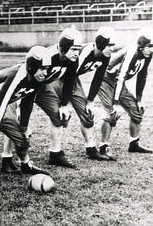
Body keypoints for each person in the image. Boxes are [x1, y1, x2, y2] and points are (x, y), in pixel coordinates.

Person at [23, 26, 118, 169]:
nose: (112, 49)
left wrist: (90, 101)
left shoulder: (101, 56)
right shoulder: (81, 53)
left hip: (71, 80)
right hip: (55, 79)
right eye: (109, 45)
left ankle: (90, 148)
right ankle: (47, 152)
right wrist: (64, 103)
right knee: (57, 115)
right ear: (100, 44)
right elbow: (59, 74)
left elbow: (96, 78)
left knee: (86, 113)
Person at [0, 46, 52, 201]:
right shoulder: (17, 75)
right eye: (42, 69)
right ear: (32, 67)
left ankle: (26, 164)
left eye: (47, 69)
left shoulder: (37, 79)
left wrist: (24, 127)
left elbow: (27, 102)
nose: (45, 73)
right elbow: (1, 101)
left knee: (21, 138)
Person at [17, 27, 85, 169]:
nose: (77, 53)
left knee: (58, 115)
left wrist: (65, 105)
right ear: (63, 48)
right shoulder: (49, 56)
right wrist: (23, 115)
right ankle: (7, 157)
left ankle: (55, 153)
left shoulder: (73, 59)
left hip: (44, 85)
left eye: (78, 49)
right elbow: (30, 87)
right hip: (26, 84)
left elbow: (70, 80)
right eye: (73, 49)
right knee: (18, 121)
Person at [97, 28, 153, 155]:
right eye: (149, 46)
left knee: (136, 110)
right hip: (105, 79)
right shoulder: (132, 52)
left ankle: (134, 143)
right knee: (111, 113)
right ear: (141, 45)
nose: (152, 49)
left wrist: (139, 99)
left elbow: (142, 75)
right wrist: (116, 101)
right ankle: (103, 146)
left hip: (118, 82)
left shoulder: (147, 54)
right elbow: (120, 77)